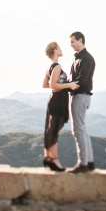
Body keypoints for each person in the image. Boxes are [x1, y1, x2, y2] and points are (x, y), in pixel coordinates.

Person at [42, 41, 78, 171]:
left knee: (51, 129)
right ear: (55, 51)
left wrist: (59, 86)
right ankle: (54, 160)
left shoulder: (50, 67)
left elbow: (45, 85)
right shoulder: (57, 66)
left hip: (54, 99)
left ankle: (48, 158)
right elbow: (52, 85)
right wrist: (69, 85)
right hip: (58, 100)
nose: (61, 49)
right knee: (54, 130)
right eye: (59, 48)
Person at [68, 31, 96, 173]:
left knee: (78, 130)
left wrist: (67, 86)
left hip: (81, 96)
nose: (71, 44)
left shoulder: (87, 58)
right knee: (82, 129)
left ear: (80, 40)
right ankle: (89, 162)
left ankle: (83, 164)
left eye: (73, 41)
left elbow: (82, 80)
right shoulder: (78, 58)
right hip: (79, 96)